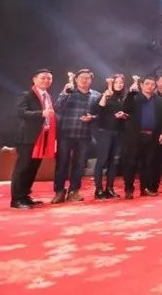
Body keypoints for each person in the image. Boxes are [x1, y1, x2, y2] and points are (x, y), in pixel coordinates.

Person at [52, 69, 101, 203]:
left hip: (84, 135)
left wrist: (92, 117)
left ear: (91, 80)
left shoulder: (96, 95)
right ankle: (59, 191)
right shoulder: (69, 92)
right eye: (81, 78)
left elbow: (101, 114)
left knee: (79, 164)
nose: (84, 80)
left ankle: (74, 191)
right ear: (76, 79)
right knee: (62, 163)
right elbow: (57, 107)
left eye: (87, 78)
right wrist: (64, 93)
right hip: (65, 134)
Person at [11, 69, 56, 209]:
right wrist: (41, 113)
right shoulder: (27, 95)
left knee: (32, 169)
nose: (46, 80)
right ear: (34, 79)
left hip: (42, 138)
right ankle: (16, 199)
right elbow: (22, 112)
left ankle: (25, 196)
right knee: (23, 169)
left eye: (49, 78)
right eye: (43, 78)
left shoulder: (47, 96)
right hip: (28, 138)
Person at [121, 76, 162, 199]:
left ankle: (144, 189)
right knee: (131, 163)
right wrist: (130, 94)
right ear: (141, 85)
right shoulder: (134, 97)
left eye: (152, 84)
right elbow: (126, 109)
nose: (150, 86)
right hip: (135, 136)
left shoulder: (158, 100)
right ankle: (129, 189)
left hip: (152, 136)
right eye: (147, 84)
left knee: (148, 164)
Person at [92, 74, 128, 199]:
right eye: (116, 82)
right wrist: (105, 95)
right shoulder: (105, 95)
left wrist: (123, 115)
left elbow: (128, 114)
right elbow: (99, 109)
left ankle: (110, 188)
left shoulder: (123, 98)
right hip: (105, 131)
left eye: (121, 82)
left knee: (114, 161)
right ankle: (98, 189)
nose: (119, 84)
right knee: (102, 160)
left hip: (119, 132)